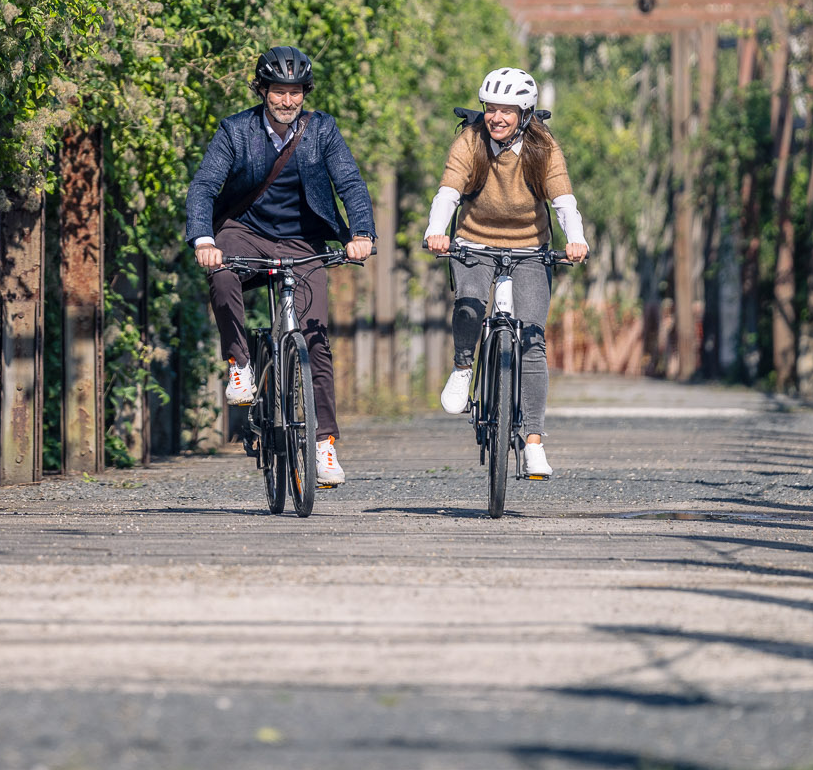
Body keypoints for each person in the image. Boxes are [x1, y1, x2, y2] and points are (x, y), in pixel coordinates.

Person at [187, 46, 378, 488]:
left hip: (303, 242)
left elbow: (349, 181)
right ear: (263, 91)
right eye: (278, 91)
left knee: (316, 342)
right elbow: (204, 186)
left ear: (304, 94)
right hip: (245, 231)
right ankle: (240, 362)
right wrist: (204, 239)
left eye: (295, 93)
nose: (287, 101)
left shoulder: (322, 130)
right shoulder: (235, 130)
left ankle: (324, 444)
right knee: (222, 272)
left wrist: (361, 234)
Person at [421, 67, 588, 479]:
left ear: (525, 114)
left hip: (530, 248)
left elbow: (563, 199)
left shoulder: (542, 146)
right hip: (474, 242)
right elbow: (448, 192)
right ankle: (463, 367)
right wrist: (435, 231)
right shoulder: (471, 139)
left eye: (506, 111)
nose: (496, 117)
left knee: (532, 337)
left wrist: (576, 238)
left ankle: (533, 442)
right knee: (469, 305)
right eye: (491, 109)